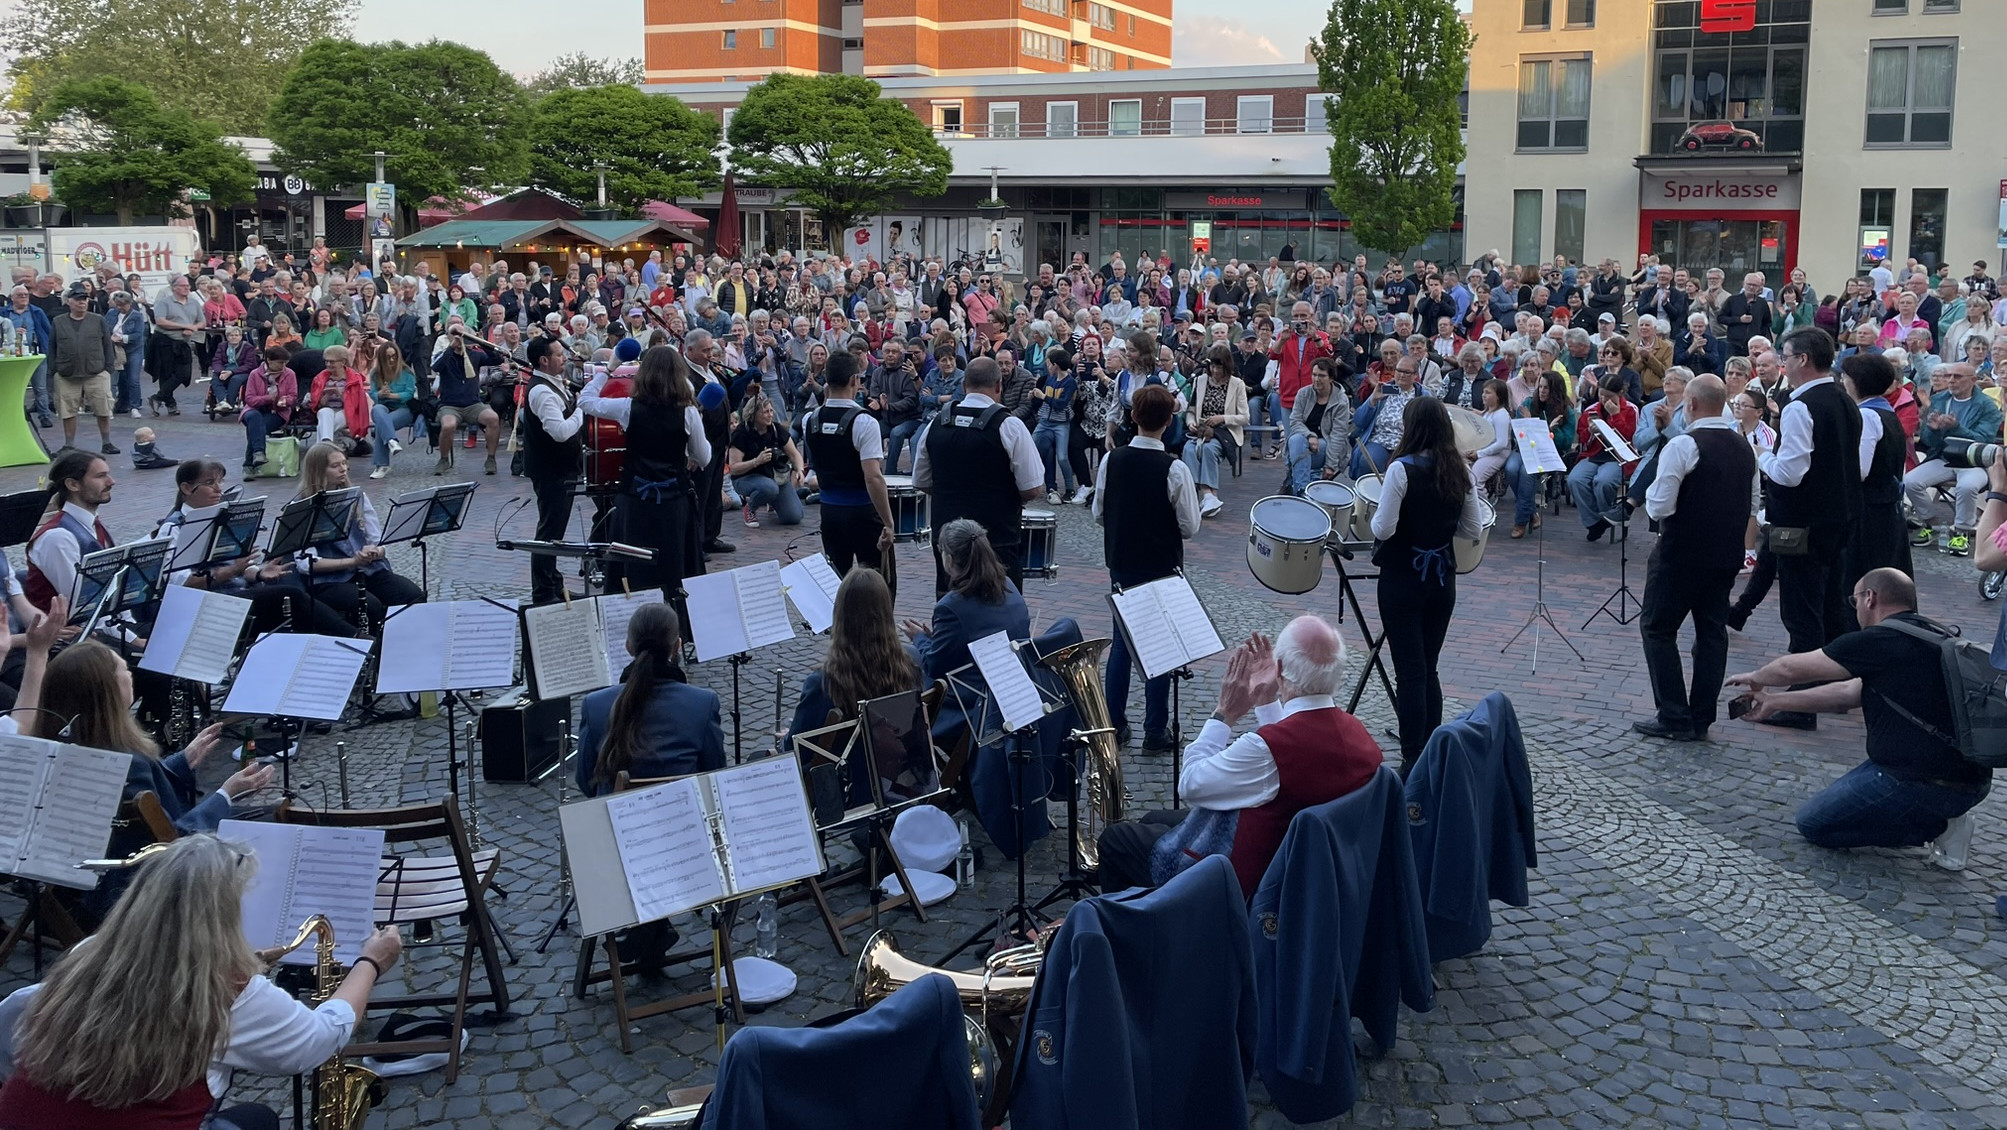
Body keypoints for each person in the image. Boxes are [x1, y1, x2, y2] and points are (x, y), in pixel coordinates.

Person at [0, 835, 403, 1130]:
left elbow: (13, 1015)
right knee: (258, 1121)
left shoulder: (89, 952)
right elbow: (318, 1038)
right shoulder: (226, 989)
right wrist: (370, 962)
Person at [1094, 622, 1383, 896]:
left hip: (1248, 879)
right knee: (1154, 819)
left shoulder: (1265, 750)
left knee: (1115, 840)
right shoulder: (1357, 733)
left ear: (1280, 668)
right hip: (1308, 864)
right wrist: (1267, 700)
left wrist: (1224, 713)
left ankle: (1145, 928)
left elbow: (1191, 785)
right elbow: (1295, 749)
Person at [1729, 569, 1988, 869]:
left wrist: (1756, 677)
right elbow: (1847, 694)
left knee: (1815, 824)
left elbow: (1792, 669)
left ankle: (1940, 827)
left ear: (1870, 598)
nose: (1855, 610)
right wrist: (1775, 702)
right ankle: (1940, 813)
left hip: (1921, 781)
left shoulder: (1880, 639)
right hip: (1972, 778)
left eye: (1855, 601)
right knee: (1837, 805)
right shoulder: (1934, 634)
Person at [1634, 376, 1753, 741]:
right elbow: (1754, 503)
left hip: (1681, 553)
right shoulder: (1744, 446)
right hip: (1725, 555)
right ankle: (1702, 716)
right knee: (1712, 633)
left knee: (1657, 627)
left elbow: (1659, 505)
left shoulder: (1685, 444)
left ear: (1692, 404)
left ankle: (1673, 714)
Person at [1758, 328, 1863, 728]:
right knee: (1832, 606)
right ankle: (1838, 689)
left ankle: (1800, 705)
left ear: (1802, 360)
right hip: (1839, 518)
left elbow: (1790, 472)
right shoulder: (1844, 399)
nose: (1782, 363)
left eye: (1784, 356)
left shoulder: (1800, 407)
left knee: (1802, 613)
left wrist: (1763, 457)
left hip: (1801, 525)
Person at [1371, 397, 1484, 773]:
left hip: (1403, 577)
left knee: (1409, 670)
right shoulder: (1462, 471)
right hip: (1441, 581)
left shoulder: (1401, 470)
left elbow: (1382, 529)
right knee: (1428, 667)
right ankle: (1431, 747)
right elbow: (1471, 529)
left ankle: (1412, 754)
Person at [1093, 384, 1200, 753]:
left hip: (1122, 563)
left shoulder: (1112, 460)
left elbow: (1098, 513)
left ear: (1133, 417)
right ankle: (1156, 729)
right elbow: (1190, 526)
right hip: (1161, 567)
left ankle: (1114, 723)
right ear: (1170, 422)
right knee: (1161, 648)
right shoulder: (1174, 468)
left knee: (1121, 645)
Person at [579, 343, 712, 599]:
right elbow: (704, 457)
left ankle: (633, 615)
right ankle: (678, 623)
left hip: (635, 498)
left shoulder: (628, 407)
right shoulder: (688, 412)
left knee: (634, 562)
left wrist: (609, 369)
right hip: (673, 499)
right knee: (674, 564)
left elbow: (585, 401)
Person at [781, 568, 924, 805]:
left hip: (846, 795)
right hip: (898, 782)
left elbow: (798, 752)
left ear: (840, 613)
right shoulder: (912, 661)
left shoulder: (824, 681)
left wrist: (786, 739)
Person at [914, 356, 1043, 597]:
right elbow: (1033, 489)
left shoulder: (936, 424)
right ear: (998, 386)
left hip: (948, 537)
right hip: (997, 538)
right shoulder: (1010, 425)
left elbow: (921, 481)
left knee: (950, 605)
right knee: (999, 606)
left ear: (963, 387)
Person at [577, 602, 724, 796]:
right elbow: (714, 776)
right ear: (677, 646)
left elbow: (586, 783)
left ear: (629, 646)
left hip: (614, 820)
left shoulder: (594, 704)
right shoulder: (704, 703)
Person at [290, 443, 427, 626]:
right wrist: (352, 562)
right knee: (371, 606)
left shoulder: (357, 496)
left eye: (345, 463)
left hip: (367, 570)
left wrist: (375, 551)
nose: (344, 469)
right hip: (329, 580)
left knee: (413, 595)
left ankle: (403, 642)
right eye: (335, 466)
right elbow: (305, 564)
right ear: (318, 470)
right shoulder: (301, 506)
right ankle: (372, 645)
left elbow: (378, 539)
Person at [803, 352, 897, 582]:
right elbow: (873, 477)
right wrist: (888, 521)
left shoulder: (811, 420)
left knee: (837, 580)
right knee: (879, 581)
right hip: (862, 511)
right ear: (855, 380)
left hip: (829, 511)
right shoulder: (864, 422)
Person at [1903, 362, 2001, 557]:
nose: (1951, 381)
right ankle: (1932, 524)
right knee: (1910, 482)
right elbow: (1928, 441)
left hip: (1973, 461)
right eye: (1949, 376)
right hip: (1943, 457)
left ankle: (1961, 531)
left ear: (1973, 380)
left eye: (1957, 377)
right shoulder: (1939, 399)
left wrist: (1956, 428)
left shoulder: (1987, 406)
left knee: (1966, 486)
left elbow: (1984, 439)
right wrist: (1931, 429)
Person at [519, 334, 589, 604]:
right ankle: (543, 592)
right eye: (559, 355)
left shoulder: (552, 384)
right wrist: (582, 409)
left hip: (560, 468)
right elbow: (559, 432)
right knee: (549, 533)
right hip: (552, 471)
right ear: (544, 360)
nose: (565, 358)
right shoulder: (541, 391)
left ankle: (554, 585)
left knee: (553, 532)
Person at [1842, 352, 1914, 593]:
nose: (1843, 381)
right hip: (1885, 506)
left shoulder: (1867, 415)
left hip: (1870, 511)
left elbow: (1859, 469)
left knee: (1865, 578)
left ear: (1856, 382)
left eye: (1845, 377)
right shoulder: (1887, 412)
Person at [23, 449, 118, 612]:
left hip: (103, 624)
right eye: (100, 476)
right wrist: (133, 638)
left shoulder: (92, 524)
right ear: (73, 484)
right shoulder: (57, 537)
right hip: (71, 634)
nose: (111, 481)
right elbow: (82, 605)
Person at [1566, 373, 1640, 542]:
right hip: (1594, 455)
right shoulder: (1591, 410)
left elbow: (1631, 438)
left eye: (1609, 396)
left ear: (1619, 394)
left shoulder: (1630, 409)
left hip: (1618, 457)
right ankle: (1594, 522)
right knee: (1575, 480)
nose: (1604, 399)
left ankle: (1607, 517)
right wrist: (1590, 433)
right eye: (1601, 394)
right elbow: (1582, 440)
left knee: (1603, 482)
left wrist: (1616, 416)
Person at [47, 282, 119, 455]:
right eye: (78, 299)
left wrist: (108, 368)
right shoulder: (58, 321)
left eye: (85, 299)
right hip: (66, 373)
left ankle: (107, 442)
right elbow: (52, 346)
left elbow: (107, 344)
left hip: (96, 371)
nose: (82, 302)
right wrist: (54, 370)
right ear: (69, 302)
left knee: (103, 407)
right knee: (67, 410)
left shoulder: (97, 320)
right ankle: (69, 443)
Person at [1181, 344, 1248, 519]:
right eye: (1212, 366)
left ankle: (1207, 496)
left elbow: (1244, 417)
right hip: (1201, 429)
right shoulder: (1200, 380)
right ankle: (1207, 496)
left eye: (1219, 367)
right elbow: (1191, 410)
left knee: (1209, 450)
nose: (1216, 371)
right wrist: (1190, 423)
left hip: (1225, 431)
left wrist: (1222, 418)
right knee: (1189, 449)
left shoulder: (1237, 384)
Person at [430, 325, 507, 476]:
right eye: (455, 334)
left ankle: (491, 458)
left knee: (492, 418)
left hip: (473, 404)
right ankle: (444, 459)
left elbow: (497, 359)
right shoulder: (445, 354)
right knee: (448, 425)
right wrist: (451, 348)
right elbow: (436, 366)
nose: (459, 338)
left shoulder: (475, 355)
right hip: (450, 405)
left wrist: (482, 343)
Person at [1286, 356, 1352, 494]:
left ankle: (1298, 489)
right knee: (1296, 440)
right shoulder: (1303, 393)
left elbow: (1338, 435)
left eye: (1321, 376)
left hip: (1327, 446)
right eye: (1314, 374)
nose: (1316, 379)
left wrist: (1330, 465)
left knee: (1300, 449)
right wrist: (1310, 436)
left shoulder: (1341, 400)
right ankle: (1303, 490)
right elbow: (1295, 421)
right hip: (1304, 442)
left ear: (1331, 378)